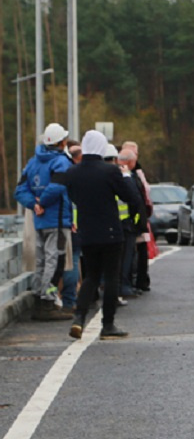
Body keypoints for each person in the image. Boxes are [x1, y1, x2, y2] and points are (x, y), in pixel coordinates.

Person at [62, 130, 143, 339]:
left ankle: (78, 318)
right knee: (111, 278)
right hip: (110, 232)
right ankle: (108, 325)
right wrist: (125, 177)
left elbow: (72, 196)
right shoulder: (110, 171)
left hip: (86, 231)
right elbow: (132, 198)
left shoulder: (72, 172)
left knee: (91, 276)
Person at [14, 123, 74, 320]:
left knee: (41, 261)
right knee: (54, 260)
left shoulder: (32, 162)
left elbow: (20, 190)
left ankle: (39, 299)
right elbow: (58, 186)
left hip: (40, 221)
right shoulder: (60, 162)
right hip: (56, 219)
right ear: (61, 142)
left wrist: (34, 204)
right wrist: (43, 203)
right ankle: (47, 303)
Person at [122, 141, 153, 291]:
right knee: (129, 254)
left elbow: (143, 196)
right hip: (128, 221)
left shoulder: (136, 173)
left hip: (136, 219)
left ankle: (139, 280)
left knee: (139, 252)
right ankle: (127, 283)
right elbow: (136, 197)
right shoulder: (126, 175)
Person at [59, 139, 83, 316]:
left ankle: (56, 298)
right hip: (72, 224)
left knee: (58, 262)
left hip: (58, 221)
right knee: (72, 261)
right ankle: (69, 300)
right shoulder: (74, 172)